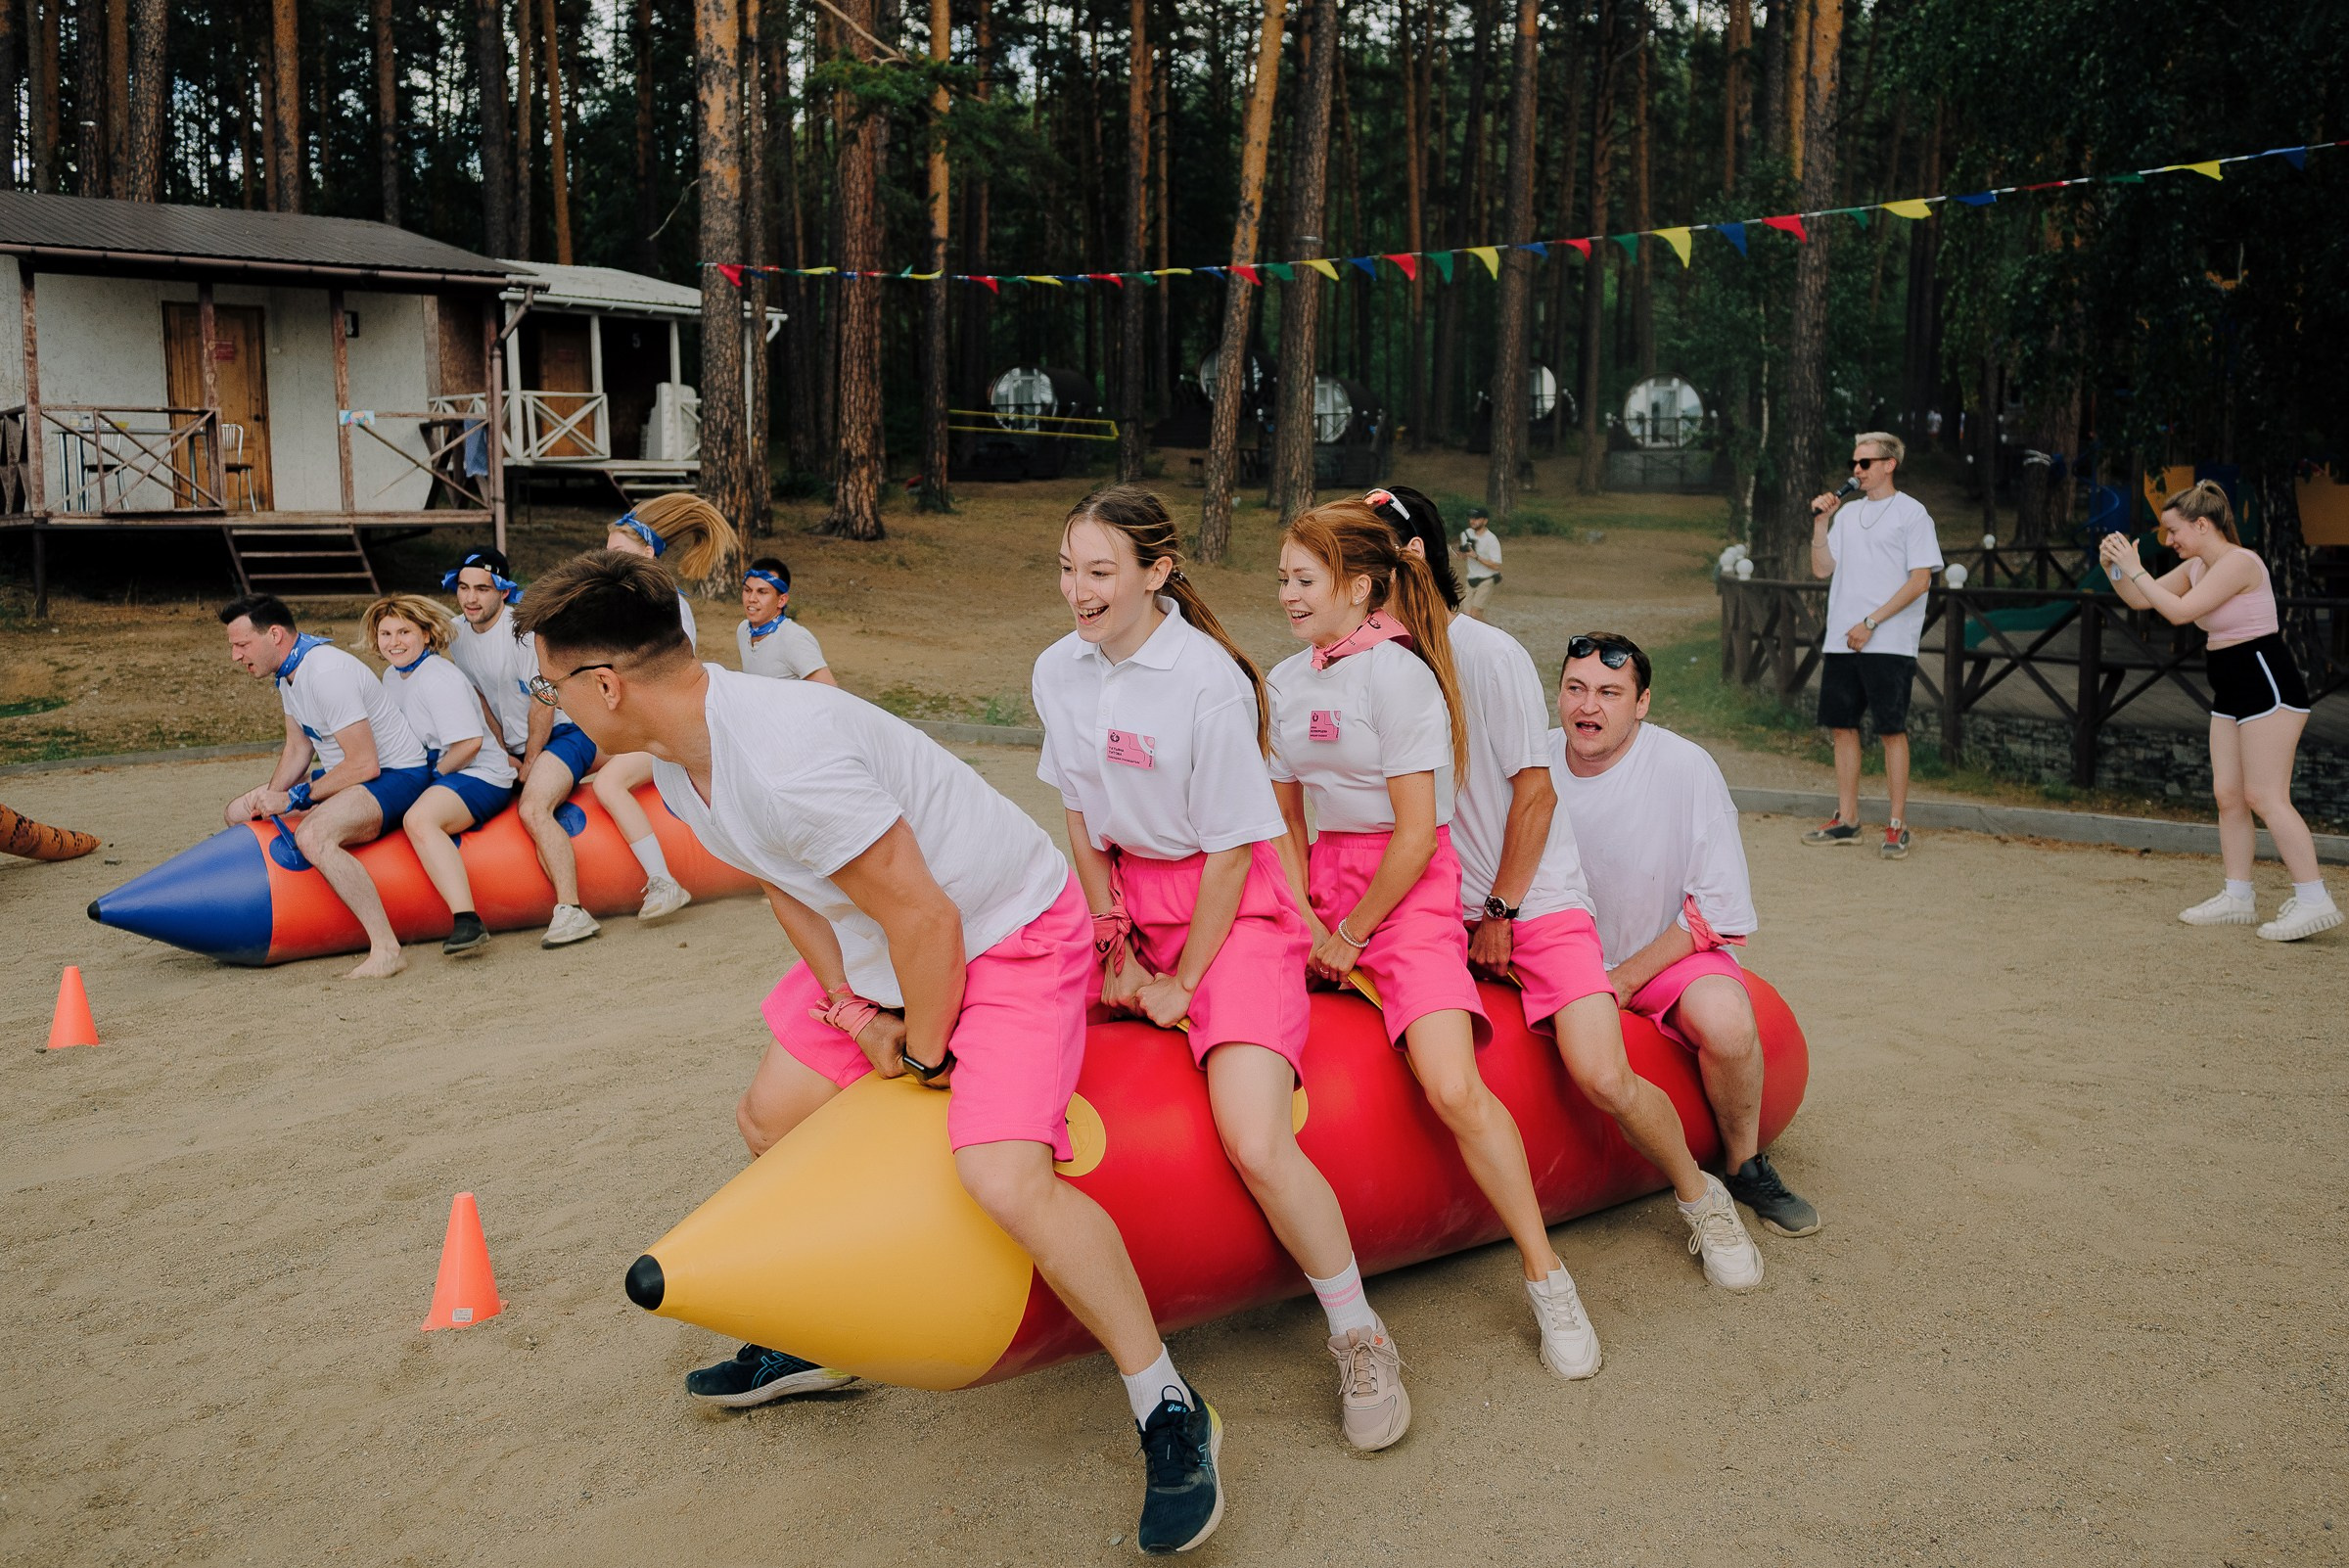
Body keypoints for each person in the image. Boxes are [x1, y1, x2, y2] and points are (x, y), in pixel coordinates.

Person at [518, 551, 1226, 1553]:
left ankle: (1166, 1402)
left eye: (551, 690)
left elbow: (933, 921)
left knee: (1004, 1176)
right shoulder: (681, 760)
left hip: (1009, 933)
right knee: (769, 1118)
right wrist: (858, 1016)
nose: (552, 711)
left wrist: (924, 1048)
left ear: (606, 685)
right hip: (888, 948)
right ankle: (821, 1347)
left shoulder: (785, 752)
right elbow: (785, 885)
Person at [1036, 486, 1408, 1452]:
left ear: (1157, 572)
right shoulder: (1057, 670)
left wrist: (1181, 983)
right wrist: (1110, 936)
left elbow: (1237, 853)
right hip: (1130, 909)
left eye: (1100, 571)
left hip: (1229, 915)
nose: (1078, 590)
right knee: (1010, 1011)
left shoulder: (1208, 680)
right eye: (1069, 568)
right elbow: (1080, 817)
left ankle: (1359, 1333)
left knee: (1253, 1135)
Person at [1366, 487, 1766, 1291]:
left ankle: (1701, 1193)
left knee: (1602, 1074)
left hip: (1529, 902)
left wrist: (1501, 911)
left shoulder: (1486, 653)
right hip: (1438, 903)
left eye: (1359, 559)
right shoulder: (1365, 662)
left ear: (1407, 559)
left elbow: (1537, 797)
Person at [1267, 498, 1603, 1381]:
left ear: (1359, 585)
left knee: (1454, 1087)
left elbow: (1417, 838)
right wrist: (1305, 921)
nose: (1287, 596)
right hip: (1320, 891)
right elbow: (1284, 825)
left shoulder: (1402, 677)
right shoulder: (1283, 682)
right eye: (1283, 580)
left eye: (1303, 581)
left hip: (1406, 895)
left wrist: (1348, 933)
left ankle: (1546, 1273)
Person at [1552, 631, 1822, 1239]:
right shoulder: (1534, 763)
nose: (1587, 707)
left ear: (1641, 703)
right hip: (1563, 957)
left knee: (1728, 1024)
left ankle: (1746, 1165)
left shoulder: (1684, 766)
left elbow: (1716, 906)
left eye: (1609, 693)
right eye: (1575, 688)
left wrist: (1623, 978)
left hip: (1667, 956)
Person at [2102, 481, 2339, 942]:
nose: (2168, 542)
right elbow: (2139, 600)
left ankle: (2314, 899)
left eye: (2174, 532)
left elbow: (2179, 613)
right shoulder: (2197, 566)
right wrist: (2112, 566)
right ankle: (2238, 895)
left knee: (2266, 796)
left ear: (2202, 524)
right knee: (2228, 794)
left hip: (2265, 682)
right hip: (2229, 685)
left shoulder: (2239, 563)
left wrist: (2135, 568)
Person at [218, 593, 432, 980]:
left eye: (242, 644)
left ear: (275, 635)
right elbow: (298, 748)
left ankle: (386, 948)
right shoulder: (290, 674)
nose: (236, 655)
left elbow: (365, 764)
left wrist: (295, 797)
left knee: (314, 835)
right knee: (236, 811)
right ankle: (269, 911)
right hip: (354, 776)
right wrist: (267, 800)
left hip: (398, 776)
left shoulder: (326, 673)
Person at [573, 495, 739, 940]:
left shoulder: (667, 606)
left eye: (621, 555)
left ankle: (664, 881)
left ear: (648, 554)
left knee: (608, 782)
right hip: (648, 725)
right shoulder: (631, 605)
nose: (611, 562)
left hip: (674, 728)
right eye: (607, 554)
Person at [1804, 432, 1945, 858]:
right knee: (1843, 727)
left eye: (1865, 463)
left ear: (1889, 464)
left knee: (1890, 729)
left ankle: (1897, 823)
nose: (1857, 472)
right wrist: (1821, 523)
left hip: (1889, 641)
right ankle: (1847, 819)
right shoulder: (1847, 516)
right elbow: (1821, 570)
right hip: (1843, 640)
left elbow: (1920, 581)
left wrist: (1871, 622)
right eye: (1854, 464)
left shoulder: (1912, 514)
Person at [364, 594, 519, 959]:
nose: (394, 642)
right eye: (386, 634)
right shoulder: (392, 676)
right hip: (439, 767)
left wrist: (431, 778)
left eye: (405, 631)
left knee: (419, 819)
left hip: (480, 773)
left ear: (427, 635)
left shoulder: (438, 678)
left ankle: (467, 920)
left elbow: (469, 744)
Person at [738, 557, 838, 684]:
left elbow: (829, 690)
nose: (751, 598)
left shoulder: (794, 639)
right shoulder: (743, 630)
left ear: (782, 600)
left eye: (762, 592)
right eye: (747, 590)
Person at [1454, 505, 1503, 620]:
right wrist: (1460, 555)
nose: (1472, 521)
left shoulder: (1491, 539)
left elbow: (1496, 565)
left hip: (1487, 578)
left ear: (1485, 521)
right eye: (1471, 518)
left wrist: (1476, 557)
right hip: (1471, 578)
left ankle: (1495, 635)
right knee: (1467, 615)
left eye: (1476, 518)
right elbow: (1465, 556)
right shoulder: (1465, 534)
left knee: (1475, 614)